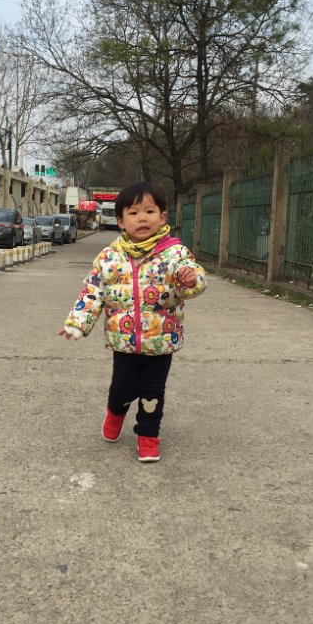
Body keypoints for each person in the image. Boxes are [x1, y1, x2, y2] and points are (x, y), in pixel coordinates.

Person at [58, 182, 206, 463]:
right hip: (123, 342)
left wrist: (190, 279)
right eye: (134, 212)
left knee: (152, 393)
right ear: (121, 221)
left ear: (163, 217)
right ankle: (115, 412)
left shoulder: (175, 254)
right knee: (123, 390)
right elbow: (93, 291)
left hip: (161, 341)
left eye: (150, 211)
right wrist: (77, 321)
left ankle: (148, 435)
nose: (142, 218)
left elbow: (193, 278)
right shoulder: (109, 258)